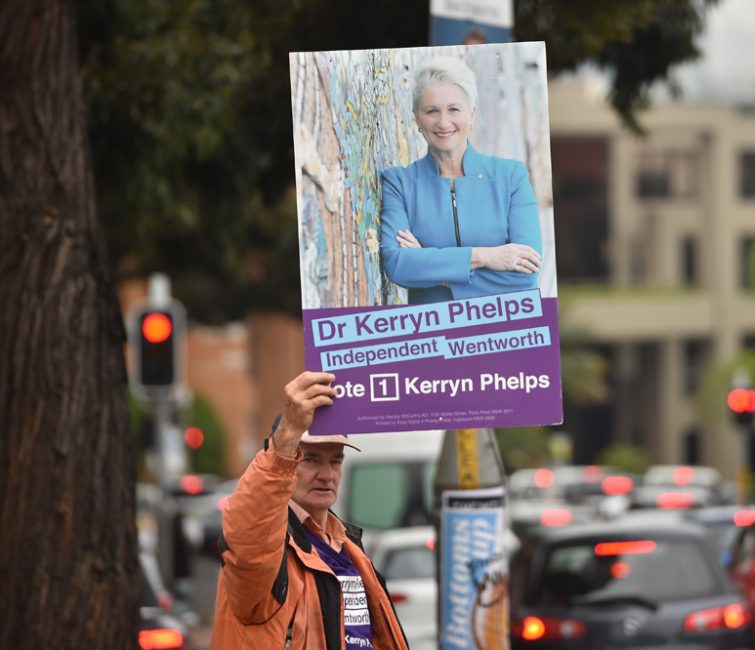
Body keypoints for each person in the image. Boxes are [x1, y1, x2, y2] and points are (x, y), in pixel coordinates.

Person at [211, 371, 408, 649]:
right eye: (312, 460)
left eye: (336, 461)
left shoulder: (348, 545)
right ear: (288, 462)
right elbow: (251, 522)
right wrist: (288, 433)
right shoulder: (269, 549)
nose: (326, 474)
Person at [379, 55, 543, 304]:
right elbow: (397, 264)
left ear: (472, 113)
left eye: (454, 109)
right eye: (431, 111)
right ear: (416, 118)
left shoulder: (511, 177)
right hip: (431, 335)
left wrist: (430, 265)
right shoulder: (398, 183)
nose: (444, 122)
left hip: (502, 333)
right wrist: (485, 257)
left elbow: (527, 275)